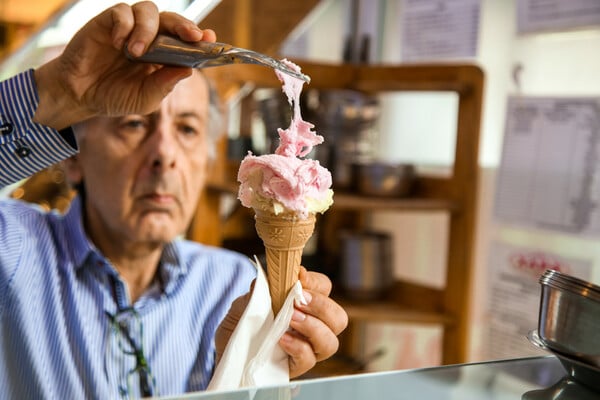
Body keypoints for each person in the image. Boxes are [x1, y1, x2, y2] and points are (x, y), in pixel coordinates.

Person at [0, 2, 347, 399]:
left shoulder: (235, 287)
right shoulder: (14, 254)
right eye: (132, 123)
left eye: (187, 128)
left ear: (207, 162)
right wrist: (60, 91)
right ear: (73, 157)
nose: (165, 153)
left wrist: (247, 367)